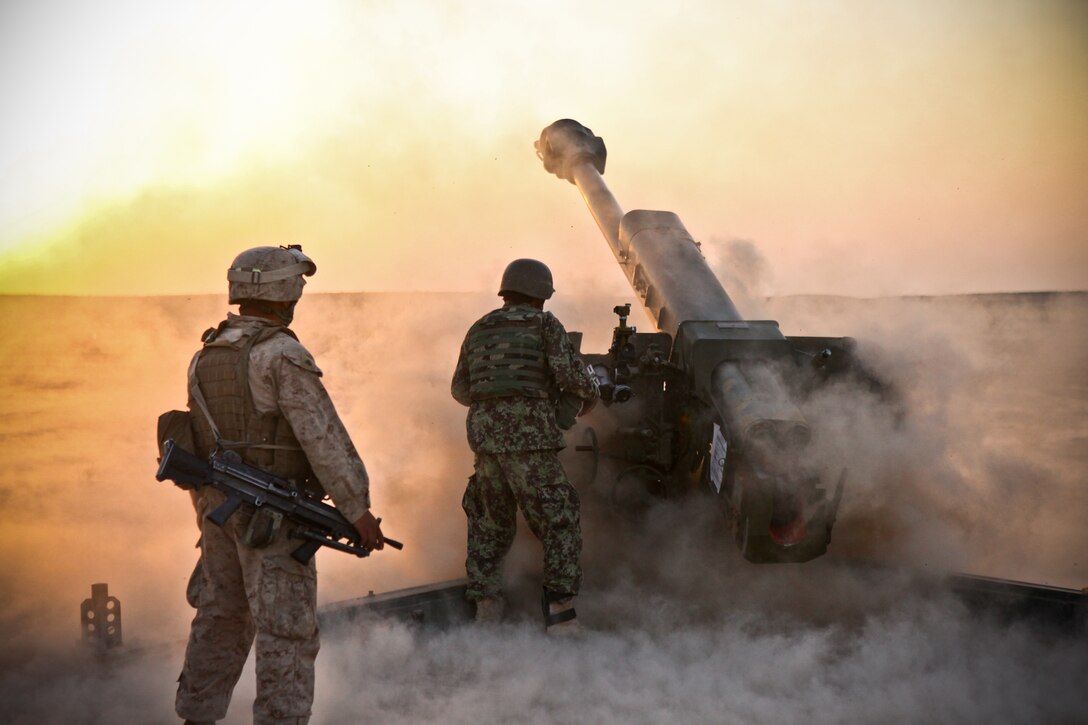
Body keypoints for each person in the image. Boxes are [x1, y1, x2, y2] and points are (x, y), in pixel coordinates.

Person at [175, 245, 384, 725]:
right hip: (270, 521)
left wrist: (208, 515)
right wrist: (358, 510)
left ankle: (196, 716)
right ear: (282, 291)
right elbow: (323, 437)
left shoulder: (206, 354)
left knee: (220, 618)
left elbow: (200, 442)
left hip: (218, 511)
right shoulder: (281, 354)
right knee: (286, 631)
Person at [451, 258, 598, 634]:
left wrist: (497, 404)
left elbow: (460, 390)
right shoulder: (544, 324)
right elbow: (571, 377)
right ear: (541, 294)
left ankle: (486, 613)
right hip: (530, 442)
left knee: (489, 526)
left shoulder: (479, 327)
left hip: (485, 443)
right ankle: (562, 617)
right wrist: (580, 399)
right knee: (558, 520)